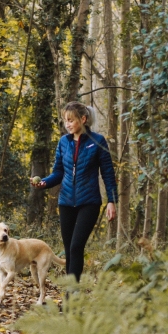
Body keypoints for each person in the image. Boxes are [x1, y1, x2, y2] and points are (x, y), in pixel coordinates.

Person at [30, 101, 118, 283]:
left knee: (77, 246)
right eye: (65, 120)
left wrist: (112, 200)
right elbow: (58, 172)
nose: (67, 124)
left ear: (83, 119)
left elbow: (108, 173)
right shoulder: (64, 142)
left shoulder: (97, 141)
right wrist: (44, 183)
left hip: (89, 202)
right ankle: (71, 297)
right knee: (69, 248)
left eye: (71, 120)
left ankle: (72, 295)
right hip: (66, 202)